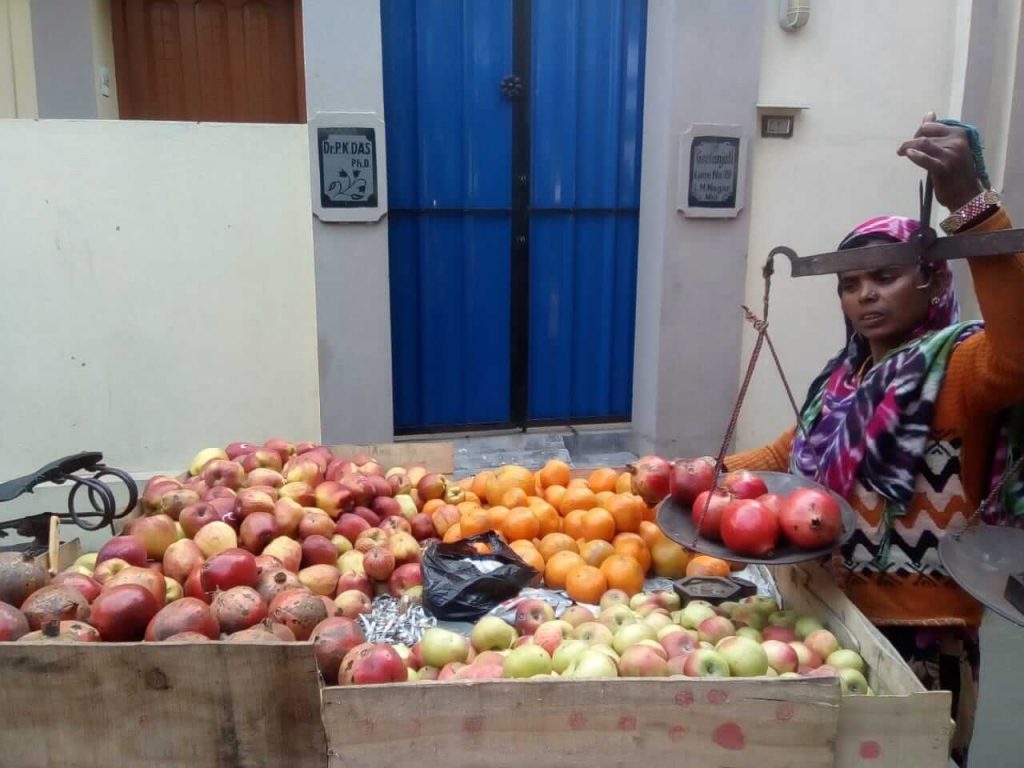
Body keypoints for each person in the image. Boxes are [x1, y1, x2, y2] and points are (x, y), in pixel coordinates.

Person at [721, 116, 1024, 766]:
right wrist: (699, 477)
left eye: (883, 277)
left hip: (923, 636)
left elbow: (1020, 356)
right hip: (827, 614)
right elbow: (787, 455)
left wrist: (973, 210)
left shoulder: (961, 367)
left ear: (935, 282)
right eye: (849, 285)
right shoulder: (843, 379)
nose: (863, 296)